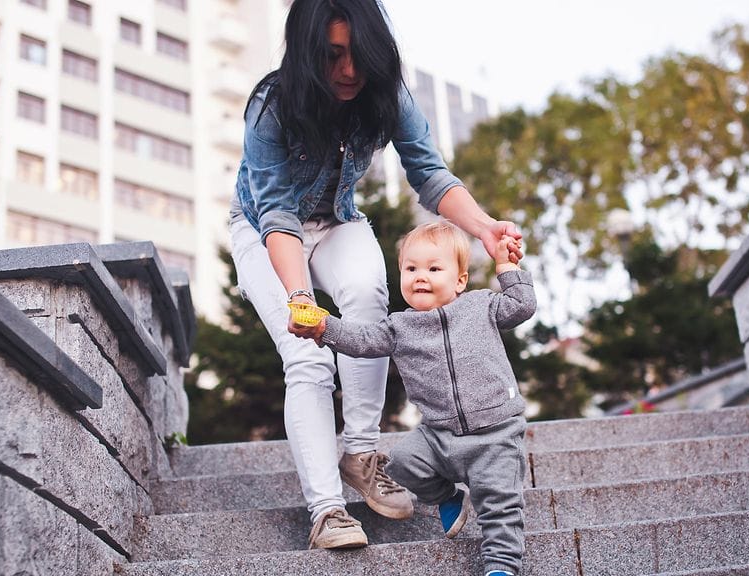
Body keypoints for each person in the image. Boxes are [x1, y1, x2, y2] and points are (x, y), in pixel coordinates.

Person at [228, 0, 523, 551]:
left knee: (369, 297)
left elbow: (429, 173)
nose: (347, 72)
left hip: (339, 219)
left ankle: (360, 451)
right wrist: (299, 299)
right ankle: (327, 511)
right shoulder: (273, 104)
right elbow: (275, 214)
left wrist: (483, 227)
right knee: (308, 357)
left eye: (358, 56)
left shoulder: (387, 95)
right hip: (265, 229)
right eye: (332, 56)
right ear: (308, 52)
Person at [294, 220, 534, 576]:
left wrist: (506, 267)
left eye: (434, 268)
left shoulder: (482, 306)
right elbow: (360, 340)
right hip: (439, 434)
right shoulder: (398, 328)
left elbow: (522, 305)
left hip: (495, 433)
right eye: (411, 268)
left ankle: (501, 566)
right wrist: (324, 326)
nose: (420, 276)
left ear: (460, 281)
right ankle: (448, 497)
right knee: (402, 463)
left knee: (498, 504)